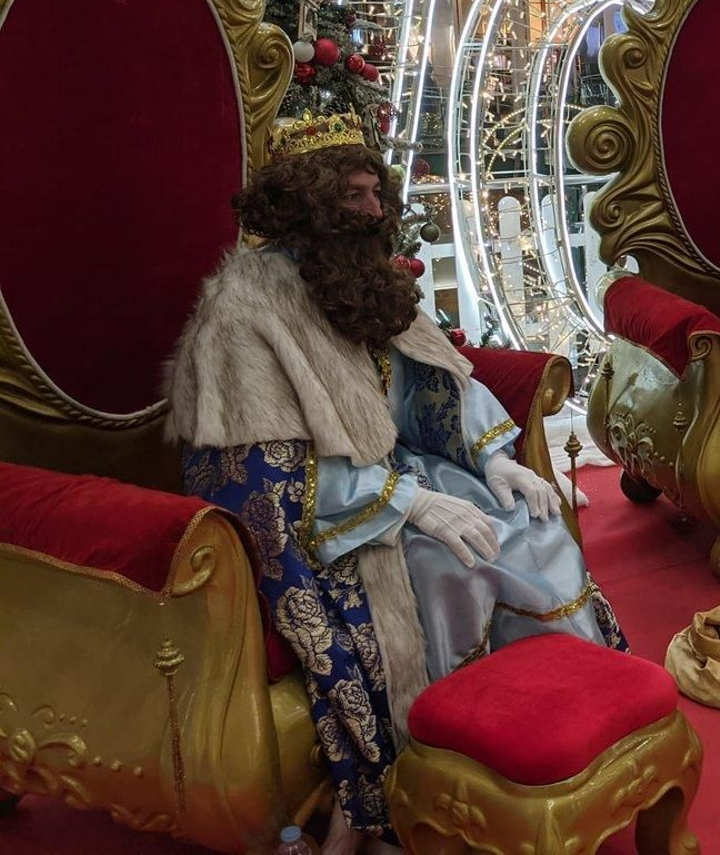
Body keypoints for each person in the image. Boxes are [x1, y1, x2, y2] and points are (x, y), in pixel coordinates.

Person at [166, 113, 625, 853]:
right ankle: (450, 772)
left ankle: (566, 735)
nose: (376, 212)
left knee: (536, 531)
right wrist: (406, 503)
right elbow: (260, 480)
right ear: (311, 202)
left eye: (375, 193)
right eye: (355, 196)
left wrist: (495, 460)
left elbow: (426, 382)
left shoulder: (360, 279)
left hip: (410, 476)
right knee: (453, 567)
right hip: (337, 519)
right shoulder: (243, 310)